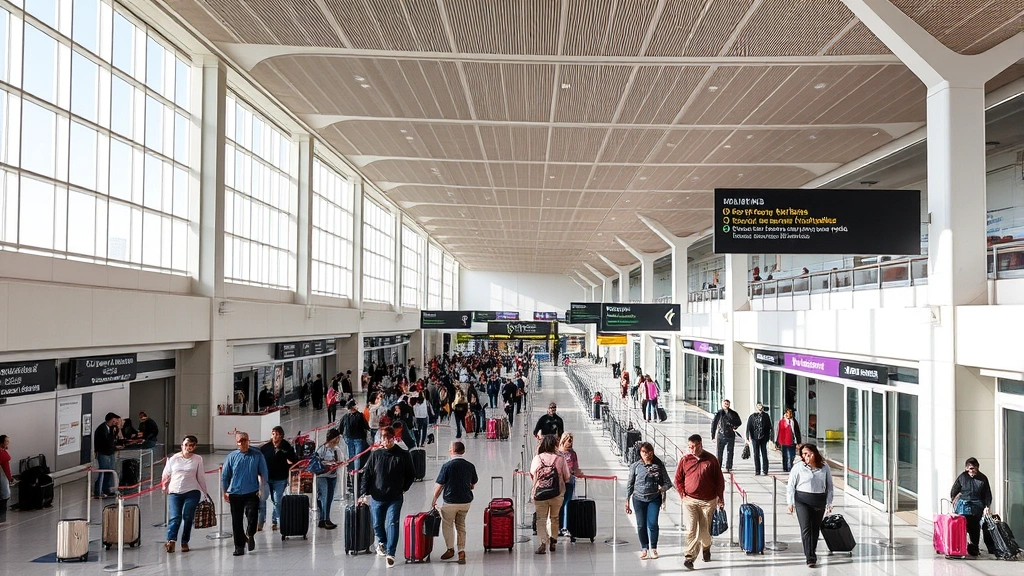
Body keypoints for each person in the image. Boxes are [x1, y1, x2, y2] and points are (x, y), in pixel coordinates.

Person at [360, 426, 415, 568]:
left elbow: (411, 474)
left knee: (392, 523)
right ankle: (382, 542)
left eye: (388, 439)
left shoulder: (403, 455)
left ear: (393, 438)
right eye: (383, 439)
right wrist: (363, 493)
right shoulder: (376, 455)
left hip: (395, 497)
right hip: (377, 497)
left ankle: (391, 553)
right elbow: (367, 474)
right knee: (377, 523)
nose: (385, 442)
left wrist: (404, 488)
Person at [674, 434, 725, 570]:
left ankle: (706, 547)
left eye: (694, 447)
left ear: (700, 445)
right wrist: (682, 494)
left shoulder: (711, 460)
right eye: (689, 447)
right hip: (689, 500)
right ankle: (689, 557)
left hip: (708, 501)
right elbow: (678, 479)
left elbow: (719, 480)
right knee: (691, 529)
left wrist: (720, 497)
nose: (692, 450)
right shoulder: (685, 460)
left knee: (704, 532)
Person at [222, 432, 270, 556]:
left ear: (248, 441)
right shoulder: (232, 456)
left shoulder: (257, 455)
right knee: (236, 521)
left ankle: (250, 533)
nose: (242, 443)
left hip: (252, 491)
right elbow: (225, 475)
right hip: (235, 493)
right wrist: (225, 491)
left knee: (252, 515)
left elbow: (264, 473)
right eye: (239, 441)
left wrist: (263, 487)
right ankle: (239, 546)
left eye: (244, 440)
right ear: (237, 442)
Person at [430, 441, 478, 565]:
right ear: (463, 451)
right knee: (461, 525)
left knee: (447, 525)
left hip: (450, 502)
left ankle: (450, 549)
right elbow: (473, 483)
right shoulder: (470, 466)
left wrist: (434, 500)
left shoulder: (447, 466)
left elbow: (440, 486)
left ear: (452, 451)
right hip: (465, 502)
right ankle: (461, 551)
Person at [787, 443, 834, 567]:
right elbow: (791, 485)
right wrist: (790, 502)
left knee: (815, 529)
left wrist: (829, 502)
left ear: (814, 453)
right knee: (806, 528)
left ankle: (812, 551)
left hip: (819, 500)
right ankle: (810, 557)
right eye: (804, 454)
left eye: (808, 453)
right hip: (802, 500)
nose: (806, 456)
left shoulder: (824, 467)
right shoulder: (798, 467)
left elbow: (829, 486)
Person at [161, 435, 209, 553]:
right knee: (175, 517)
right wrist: (164, 486)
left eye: (191, 445)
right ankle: (171, 540)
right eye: (186, 445)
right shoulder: (173, 458)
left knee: (187, 517)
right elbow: (166, 474)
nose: (188, 447)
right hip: (175, 492)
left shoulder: (198, 459)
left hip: (192, 491)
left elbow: (201, 477)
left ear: (194, 447)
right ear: (182, 445)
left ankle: (184, 541)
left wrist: (205, 493)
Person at [626, 442, 672, 560]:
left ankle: (654, 547)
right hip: (638, 499)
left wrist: (661, 489)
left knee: (652, 524)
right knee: (641, 525)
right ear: (640, 453)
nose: (647, 455)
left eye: (649, 452)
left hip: (654, 499)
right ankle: (644, 548)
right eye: (644, 452)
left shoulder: (659, 465)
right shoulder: (635, 466)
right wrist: (627, 500)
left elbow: (668, 483)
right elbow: (630, 484)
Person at [530, 434, 570, 555]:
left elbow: (532, 474)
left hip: (540, 494)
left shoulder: (537, 458)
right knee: (554, 518)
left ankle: (543, 542)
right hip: (556, 494)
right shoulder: (560, 459)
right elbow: (567, 477)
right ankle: (553, 540)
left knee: (541, 519)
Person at [950, 457, 993, 557]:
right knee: (961, 525)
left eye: (973, 468)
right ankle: (959, 546)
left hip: (977, 505)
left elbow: (987, 494)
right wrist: (954, 499)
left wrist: (987, 506)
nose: (971, 470)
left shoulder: (983, 478)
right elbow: (954, 490)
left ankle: (974, 547)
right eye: (969, 468)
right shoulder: (962, 477)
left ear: (977, 468)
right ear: (966, 468)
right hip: (963, 504)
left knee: (974, 527)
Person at [258, 426, 297, 531]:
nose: (275, 436)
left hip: (280, 479)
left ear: (281, 436)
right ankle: (260, 522)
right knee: (262, 500)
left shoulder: (286, 446)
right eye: (273, 434)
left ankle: (276, 521)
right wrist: (259, 475)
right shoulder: (265, 447)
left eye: (277, 434)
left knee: (277, 500)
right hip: (266, 479)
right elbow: (259, 462)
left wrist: (288, 464)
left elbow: (294, 459)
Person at [315, 429, 343, 529]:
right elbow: (316, 462)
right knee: (324, 497)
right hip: (322, 476)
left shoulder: (336, 449)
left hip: (332, 476)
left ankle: (323, 518)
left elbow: (341, 461)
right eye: (337, 437)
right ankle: (325, 519)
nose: (339, 439)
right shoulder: (322, 449)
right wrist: (327, 464)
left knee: (329, 498)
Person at [556, 433, 581, 538]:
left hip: (569, 482)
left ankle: (565, 527)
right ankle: (557, 526)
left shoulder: (572, 454)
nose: (570, 443)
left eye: (571, 441)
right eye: (568, 440)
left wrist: (577, 473)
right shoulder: (557, 453)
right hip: (558, 482)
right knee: (558, 504)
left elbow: (575, 467)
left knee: (567, 503)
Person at [93, 412, 121, 498]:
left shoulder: (111, 428)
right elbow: (106, 441)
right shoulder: (101, 429)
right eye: (115, 421)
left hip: (110, 453)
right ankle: (98, 491)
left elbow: (112, 440)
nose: (116, 423)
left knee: (110, 471)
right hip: (103, 453)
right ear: (111, 420)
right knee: (103, 472)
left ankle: (106, 490)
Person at [339, 400, 371, 472]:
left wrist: (341, 434)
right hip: (358, 438)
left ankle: (351, 470)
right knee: (357, 456)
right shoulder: (360, 415)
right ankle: (356, 471)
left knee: (351, 455)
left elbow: (341, 427)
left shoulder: (346, 416)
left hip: (349, 438)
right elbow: (366, 426)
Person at [711, 399, 741, 472]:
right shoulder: (719, 413)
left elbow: (739, 422)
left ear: (729, 404)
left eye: (727, 404)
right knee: (719, 452)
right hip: (721, 434)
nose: (726, 405)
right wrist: (713, 435)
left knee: (730, 451)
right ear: (722, 404)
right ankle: (718, 466)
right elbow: (714, 424)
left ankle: (728, 466)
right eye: (724, 403)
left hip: (730, 434)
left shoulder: (733, 413)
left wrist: (734, 426)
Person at [745, 403, 773, 476]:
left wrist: (770, 437)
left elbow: (769, 427)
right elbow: (749, 427)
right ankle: (757, 470)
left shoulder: (766, 416)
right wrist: (747, 437)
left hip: (763, 437)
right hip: (755, 437)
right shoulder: (752, 416)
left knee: (764, 453)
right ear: (756, 407)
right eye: (758, 406)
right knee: (756, 454)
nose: (760, 408)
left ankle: (765, 470)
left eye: (761, 406)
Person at [776, 408, 802, 473]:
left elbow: (797, 431)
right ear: (785, 413)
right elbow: (779, 432)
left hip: (792, 441)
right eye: (788, 413)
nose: (789, 415)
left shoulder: (794, 421)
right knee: (785, 455)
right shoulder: (782, 421)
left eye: (791, 413)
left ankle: (790, 466)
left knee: (792, 455)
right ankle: (785, 467)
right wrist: (777, 441)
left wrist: (799, 441)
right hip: (784, 441)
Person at [0, 435, 12, 524]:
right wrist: (10, 478)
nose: (8, 443)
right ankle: (2, 518)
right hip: (2, 477)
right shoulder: (3, 454)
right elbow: (6, 468)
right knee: (5, 495)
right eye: (6, 441)